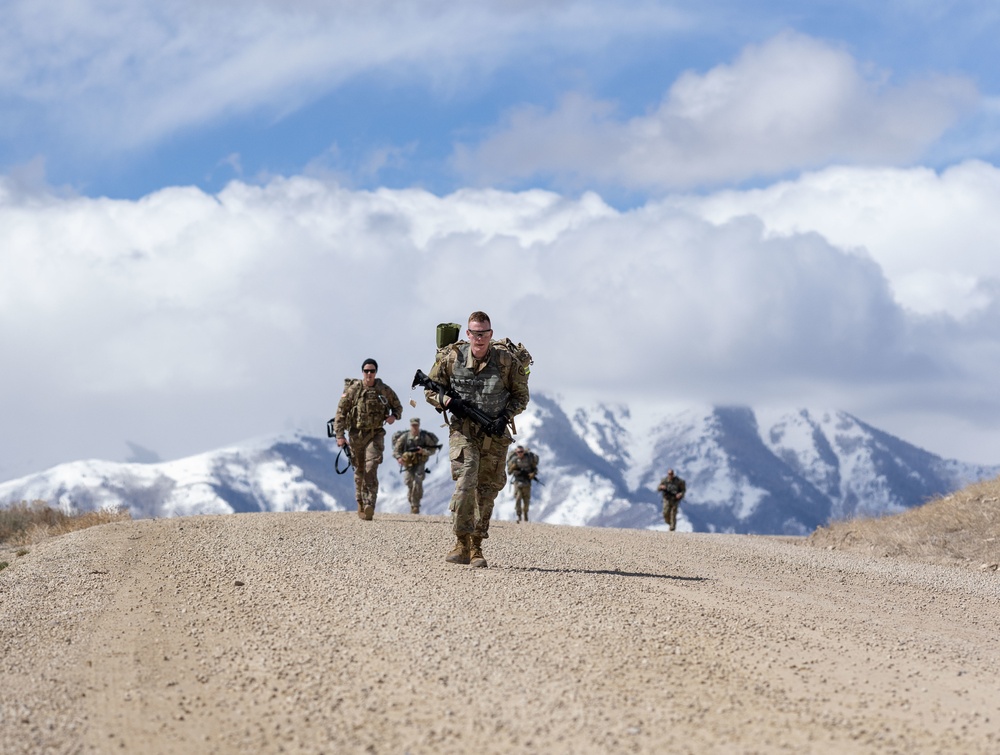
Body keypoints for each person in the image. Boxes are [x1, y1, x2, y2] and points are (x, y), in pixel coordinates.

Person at [423, 311, 530, 567]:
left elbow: (521, 397)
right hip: (463, 431)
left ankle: (476, 547)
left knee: (487, 491)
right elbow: (429, 389)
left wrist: (504, 416)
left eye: (484, 334)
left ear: (490, 335)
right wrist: (447, 401)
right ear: (468, 334)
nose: (479, 339)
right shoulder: (452, 358)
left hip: (494, 433)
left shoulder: (505, 361)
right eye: (475, 333)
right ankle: (461, 542)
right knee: (466, 480)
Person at [332, 358, 402, 520]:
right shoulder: (354, 390)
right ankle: (361, 502)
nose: (369, 374)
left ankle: (370, 502)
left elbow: (398, 407)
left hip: (375, 434)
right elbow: (341, 413)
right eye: (366, 371)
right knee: (360, 469)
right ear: (362, 372)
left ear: (376, 372)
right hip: (356, 435)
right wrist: (340, 436)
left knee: (372, 466)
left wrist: (394, 416)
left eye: (372, 371)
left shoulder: (384, 390)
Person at [393, 417, 440, 514]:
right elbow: (396, 450)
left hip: (420, 463)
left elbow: (433, 450)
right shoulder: (405, 437)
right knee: (409, 483)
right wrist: (399, 458)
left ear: (419, 425)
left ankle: (416, 505)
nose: (415, 427)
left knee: (418, 482)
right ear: (410, 425)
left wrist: (423, 451)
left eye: (416, 425)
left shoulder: (424, 437)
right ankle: (412, 501)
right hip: (408, 463)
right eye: (413, 425)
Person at [506, 445, 539, 523]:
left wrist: (532, 474)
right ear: (516, 452)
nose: (520, 453)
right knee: (518, 499)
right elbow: (509, 472)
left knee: (526, 501)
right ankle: (519, 516)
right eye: (518, 452)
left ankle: (526, 516)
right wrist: (513, 468)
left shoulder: (529, 459)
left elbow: (535, 470)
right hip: (517, 482)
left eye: (521, 452)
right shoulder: (514, 460)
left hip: (527, 483)